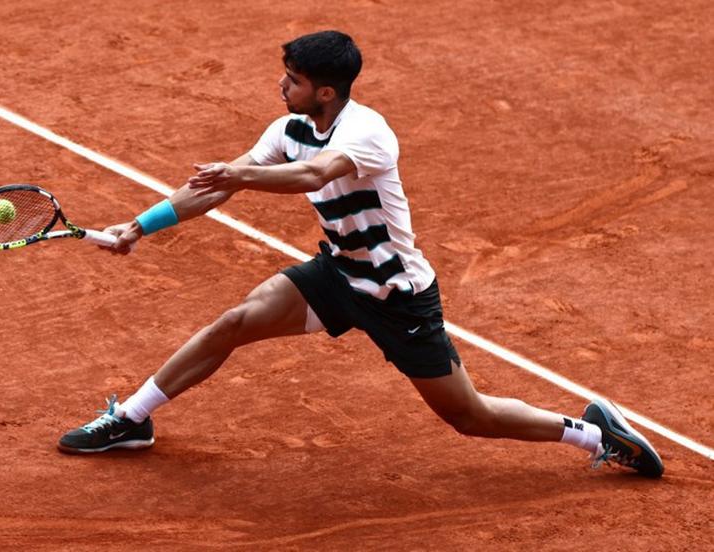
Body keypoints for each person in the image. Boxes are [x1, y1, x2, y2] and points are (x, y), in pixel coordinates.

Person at [57, 30, 663, 478]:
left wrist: (240, 177)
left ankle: (592, 433)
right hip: (337, 273)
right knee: (235, 322)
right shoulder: (286, 128)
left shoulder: (366, 132)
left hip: (397, 294)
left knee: (468, 416)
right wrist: (139, 226)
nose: (281, 85)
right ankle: (133, 418)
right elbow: (212, 187)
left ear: (324, 90)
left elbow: (312, 174)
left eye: (291, 79)